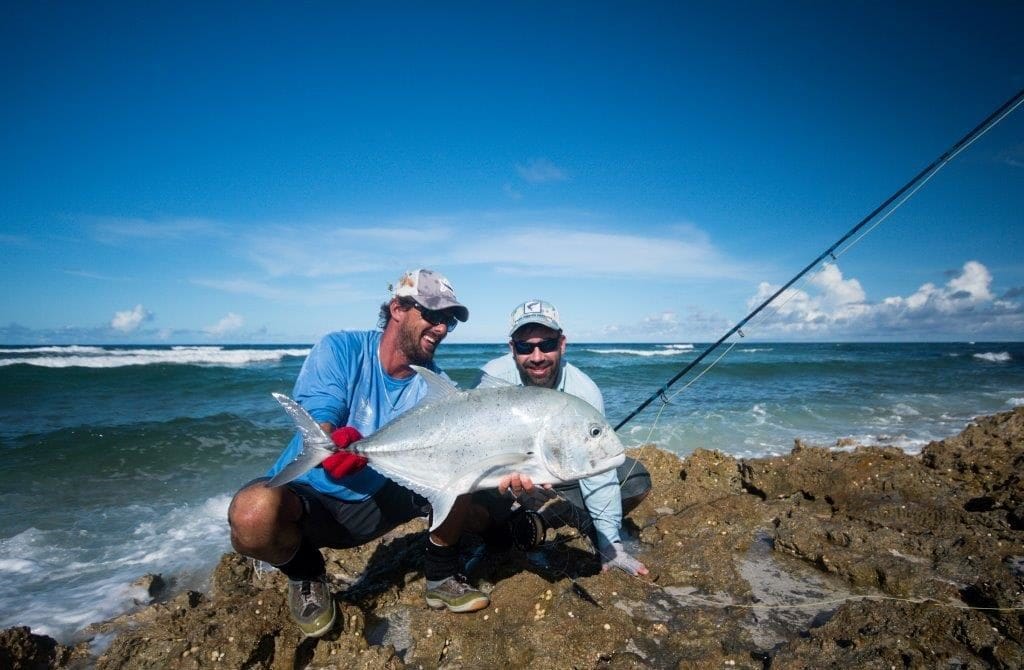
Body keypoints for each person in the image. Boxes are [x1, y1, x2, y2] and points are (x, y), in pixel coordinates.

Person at [228, 269, 495, 638]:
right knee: (251, 514)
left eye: (449, 320)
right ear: (398, 308)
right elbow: (322, 413)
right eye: (432, 315)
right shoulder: (340, 348)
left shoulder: (438, 387)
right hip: (313, 499)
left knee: (464, 474)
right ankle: (305, 575)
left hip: (383, 497)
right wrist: (329, 442)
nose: (442, 329)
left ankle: (442, 575)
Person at [478, 299, 651, 575]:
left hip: (560, 483)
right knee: (476, 509)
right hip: (500, 485)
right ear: (513, 349)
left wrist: (611, 545)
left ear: (562, 344)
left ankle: (545, 518)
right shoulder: (492, 380)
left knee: (634, 477)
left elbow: (600, 472)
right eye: (525, 346)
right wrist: (510, 490)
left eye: (546, 344)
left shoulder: (584, 392)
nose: (537, 356)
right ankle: (507, 523)